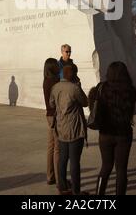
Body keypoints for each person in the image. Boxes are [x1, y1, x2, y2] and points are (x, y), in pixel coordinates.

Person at [88, 61, 136, 195]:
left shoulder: (101, 88)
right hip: (124, 133)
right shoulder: (131, 90)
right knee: (121, 170)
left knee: (106, 167)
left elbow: (93, 105)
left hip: (105, 133)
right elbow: (130, 111)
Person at [49, 65, 88, 195]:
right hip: (74, 128)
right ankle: (76, 191)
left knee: (63, 159)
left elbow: (51, 104)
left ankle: (62, 187)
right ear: (74, 74)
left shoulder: (55, 87)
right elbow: (85, 102)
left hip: (61, 128)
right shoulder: (75, 88)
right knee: (75, 161)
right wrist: (79, 86)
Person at [43, 58, 60, 187]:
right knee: (57, 148)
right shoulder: (54, 81)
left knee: (50, 146)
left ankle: (50, 176)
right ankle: (60, 180)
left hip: (49, 115)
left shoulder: (46, 81)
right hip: (55, 115)